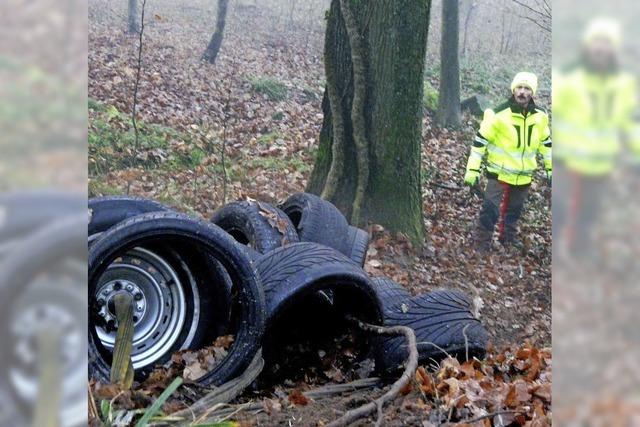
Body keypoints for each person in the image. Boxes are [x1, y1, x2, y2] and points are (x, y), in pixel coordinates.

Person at [553, 18, 640, 259]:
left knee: (590, 211)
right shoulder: (568, 77)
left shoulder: (623, 82)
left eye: (607, 43)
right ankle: (558, 253)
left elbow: (631, 122)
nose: (601, 48)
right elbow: (556, 116)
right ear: (588, 45)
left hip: (601, 162)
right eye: (597, 42)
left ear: (614, 47)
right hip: (566, 160)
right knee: (560, 209)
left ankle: (580, 250)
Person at [463, 72, 552, 252]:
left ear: (533, 93)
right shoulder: (498, 114)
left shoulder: (541, 116)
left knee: (515, 210)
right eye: (519, 88)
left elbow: (546, 144)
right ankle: (482, 244)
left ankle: (508, 239)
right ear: (513, 90)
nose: (522, 92)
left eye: (527, 89)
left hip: (524, 175)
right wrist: (472, 171)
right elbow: (479, 143)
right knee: (490, 209)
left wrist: (551, 170)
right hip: (499, 172)